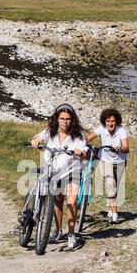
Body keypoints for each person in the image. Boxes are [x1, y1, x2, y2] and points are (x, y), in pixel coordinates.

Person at [31, 104, 88, 249]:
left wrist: (79, 152)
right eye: (62, 118)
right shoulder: (51, 131)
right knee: (57, 200)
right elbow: (40, 136)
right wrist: (36, 140)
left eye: (68, 119)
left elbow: (84, 150)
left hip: (72, 170)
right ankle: (58, 230)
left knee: (72, 200)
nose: (65, 122)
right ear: (57, 119)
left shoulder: (77, 134)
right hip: (53, 171)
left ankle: (71, 233)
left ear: (72, 120)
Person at [86, 108, 129, 223]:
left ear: (117, 122)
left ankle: (111, 208)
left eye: (113, 121)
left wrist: (119, 149)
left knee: (115, 187)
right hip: (105, 161)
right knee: (111, 185)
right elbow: (88, 138)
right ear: (104, 122)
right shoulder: (101, 129)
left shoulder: (121, 131)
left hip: (120, 162)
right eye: (108, 121)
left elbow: (126, 148)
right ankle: (114, 214)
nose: (110, 123)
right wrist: (80, 144)